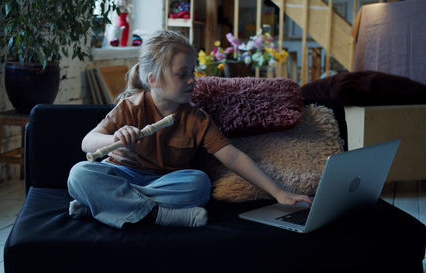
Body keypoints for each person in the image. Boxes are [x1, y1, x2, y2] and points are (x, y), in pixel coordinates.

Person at [67, 30, 311, 229]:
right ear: (152, 79)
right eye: (182, 75)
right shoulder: (130, 107)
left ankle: (102, 205)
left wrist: (279, 192)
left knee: (199, 184)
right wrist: (115, 137)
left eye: (192, 72)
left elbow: (233, 157)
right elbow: (87, 142)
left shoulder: (197, 119)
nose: (192, 80)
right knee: (79, 174)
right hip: (121, 174)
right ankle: (157, 215)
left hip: (163, 182)